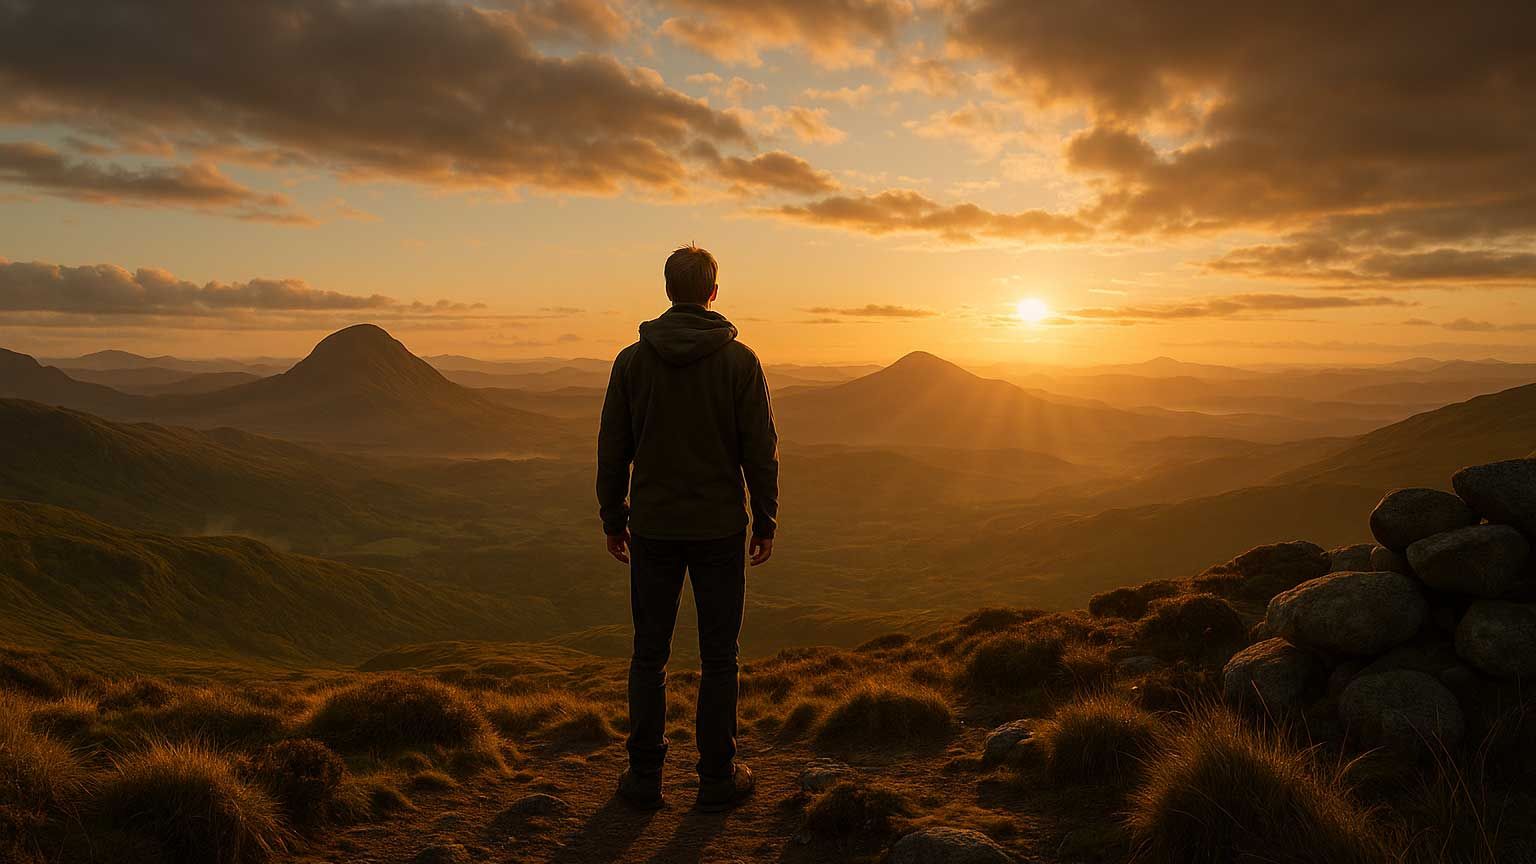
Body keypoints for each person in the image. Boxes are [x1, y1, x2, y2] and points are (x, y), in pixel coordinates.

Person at [596, 244, 779, 812]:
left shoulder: (631, 361)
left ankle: (645, 778)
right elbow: (760, 449)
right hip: (720, 527)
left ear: (668, 288)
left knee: (649, 655)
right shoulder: (740, 361)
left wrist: (613, 516)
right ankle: (718, 779)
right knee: (719, 656)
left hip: (653, 527)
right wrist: (765, 518)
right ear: (713, 291)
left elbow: (612, 448)